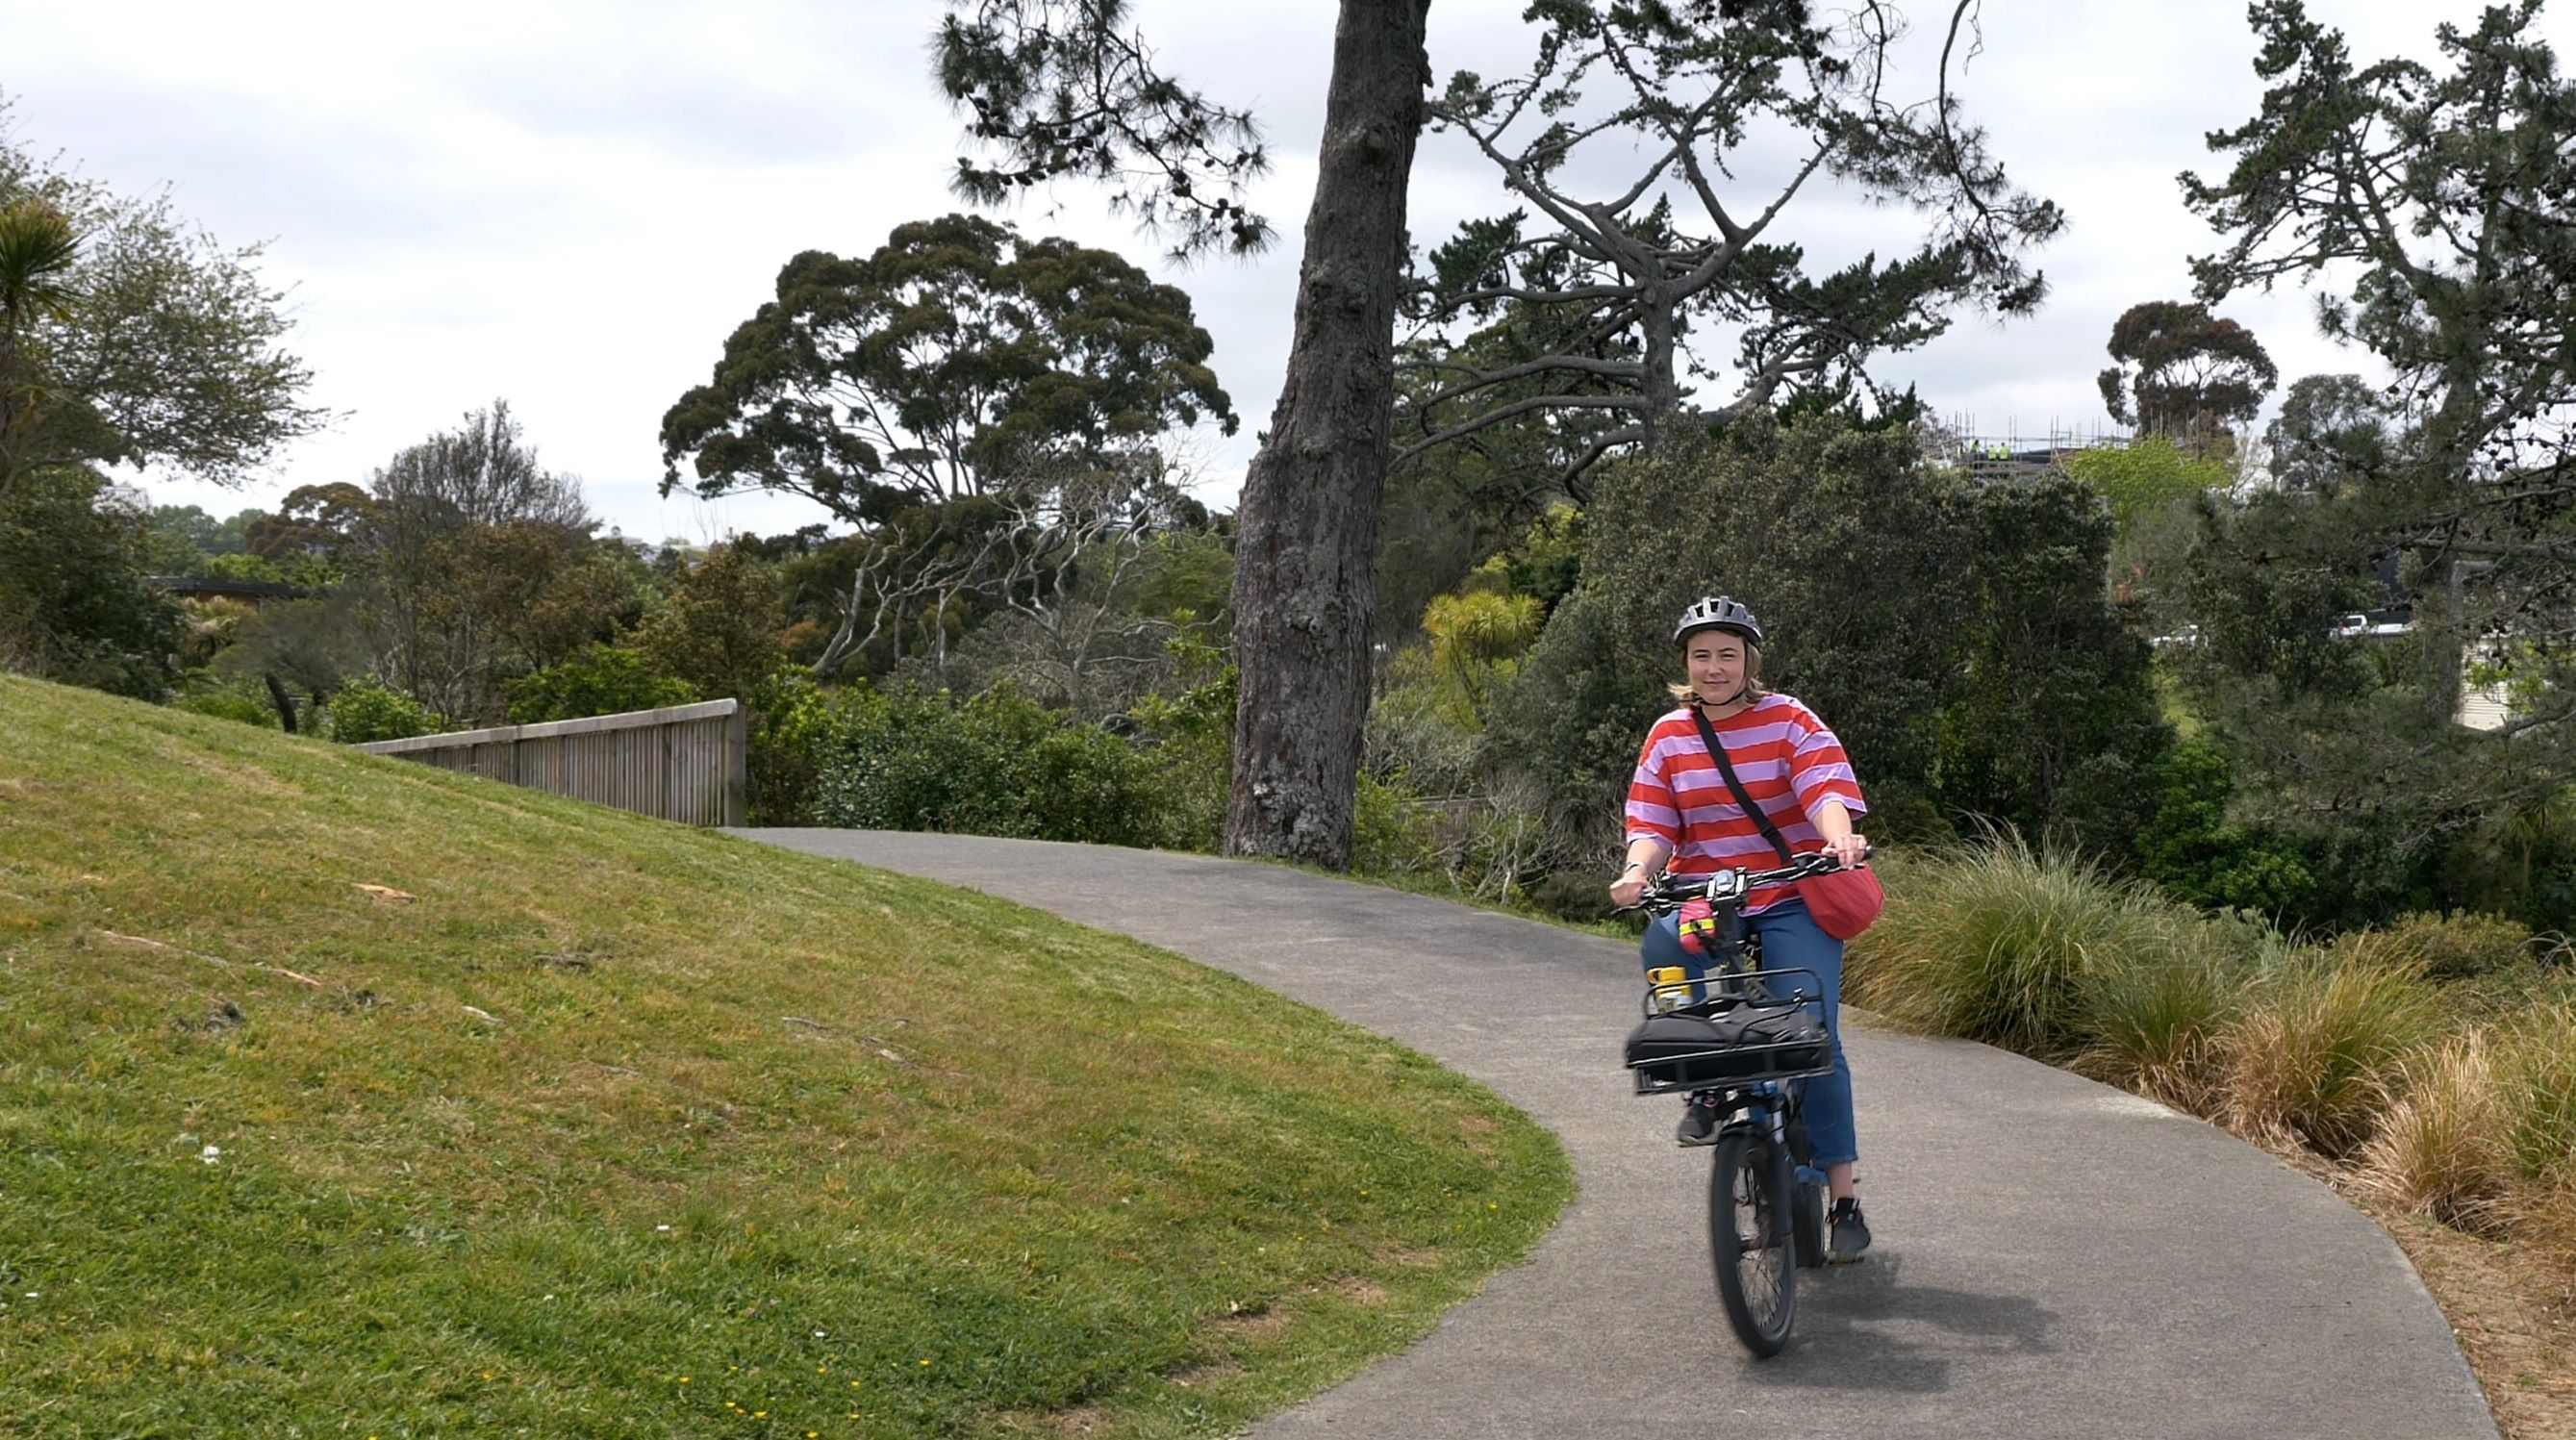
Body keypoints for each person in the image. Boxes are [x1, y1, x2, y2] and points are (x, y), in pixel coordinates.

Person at [1607, 595, 1875, 1264]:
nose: (1715, 666)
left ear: (1750, 659)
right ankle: (1702, 1083)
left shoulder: (1789, 719)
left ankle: (1843, 1197)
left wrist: (1839, 840)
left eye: (1728, 653)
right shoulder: (1668, 735)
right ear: (1686, 664)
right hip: (1709, 895)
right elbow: (1654, 823)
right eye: (1702, 655)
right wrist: (1637, 871)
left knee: (1815, 1035)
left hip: (1788, 893)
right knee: (1665, 942)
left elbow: (1823, 791)